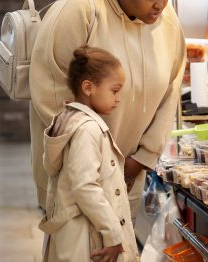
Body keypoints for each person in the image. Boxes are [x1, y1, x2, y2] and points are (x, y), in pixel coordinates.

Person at [29, 0, 186, 217]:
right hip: (77, 169)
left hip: (129, 170)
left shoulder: (168, 20)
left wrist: (142, 158)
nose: (160, 4)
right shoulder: (81, 8)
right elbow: (49, 90)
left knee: (119, 249)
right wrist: (91, 159)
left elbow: (171, 89)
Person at [39, 47, 139, 262]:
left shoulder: (69, 119)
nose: (118, 98)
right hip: (86, 238)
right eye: (114, 90)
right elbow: (85, 186)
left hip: (77, 232)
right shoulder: (87, 129)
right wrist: (112, 236)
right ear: (88, 87)